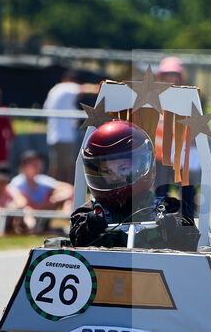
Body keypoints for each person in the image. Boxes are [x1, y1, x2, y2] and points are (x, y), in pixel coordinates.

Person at [69, 119, 199, 250]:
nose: (115, 177)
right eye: (107, 171)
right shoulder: (89, 211)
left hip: (154, 268)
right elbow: (76, 240)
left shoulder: (167, 208)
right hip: (105, 269)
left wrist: (173, 229)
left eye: (123, 169)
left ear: (141, 165)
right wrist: (89, 229)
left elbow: (190, 239)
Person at [153, 56, 199, 221]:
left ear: (180, 76)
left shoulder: (188, 95)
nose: (170, 78)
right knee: (160, 189)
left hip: (182, 151)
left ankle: (188, 221)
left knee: (186, 188)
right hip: (161, 153)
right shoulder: (155, 96)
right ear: (161, 76)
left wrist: (193, 147)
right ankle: (158, 222)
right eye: (167, 74)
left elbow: (194, 122)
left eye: (174, 74)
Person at [43, 69, 82, 183]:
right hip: (64, 137)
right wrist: (107, 88)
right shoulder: (65, 88)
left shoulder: (54, 91)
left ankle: (52, 193)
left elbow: (45, 114)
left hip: (55, 136)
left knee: (57, 168)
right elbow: (85, 88)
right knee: (66, 170)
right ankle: (65, 194)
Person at [9, 150, 73, 211]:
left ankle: (68, 220)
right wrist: (48, 204)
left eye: (39, 164)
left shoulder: (41, 179)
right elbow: (25, 204)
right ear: (24, 167)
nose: (38, 167)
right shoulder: (17, 182)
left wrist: (54, 199)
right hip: (27, 217)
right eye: (34, 165)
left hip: (45, 214)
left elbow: (69, 189)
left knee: (68, 203)